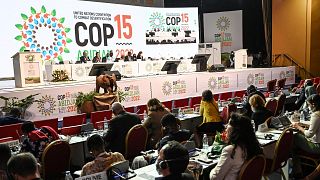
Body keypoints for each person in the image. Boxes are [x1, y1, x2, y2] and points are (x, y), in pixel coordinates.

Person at [210, 113, 263, 179]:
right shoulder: (253, 146)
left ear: (235, 130)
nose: (226, 126)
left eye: (229, 123)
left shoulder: (231, 151)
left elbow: (215, 178)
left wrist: (212, 170)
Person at [291, 94, 320, 177]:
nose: (308, 106)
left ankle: (297, 169)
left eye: (309, 104)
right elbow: (315, 126)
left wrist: (298, 127)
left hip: (316, 147)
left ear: (313, 104)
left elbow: (309, 134)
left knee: (294, 137)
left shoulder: (316, 115)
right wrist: (302, 124)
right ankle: (298, 167)